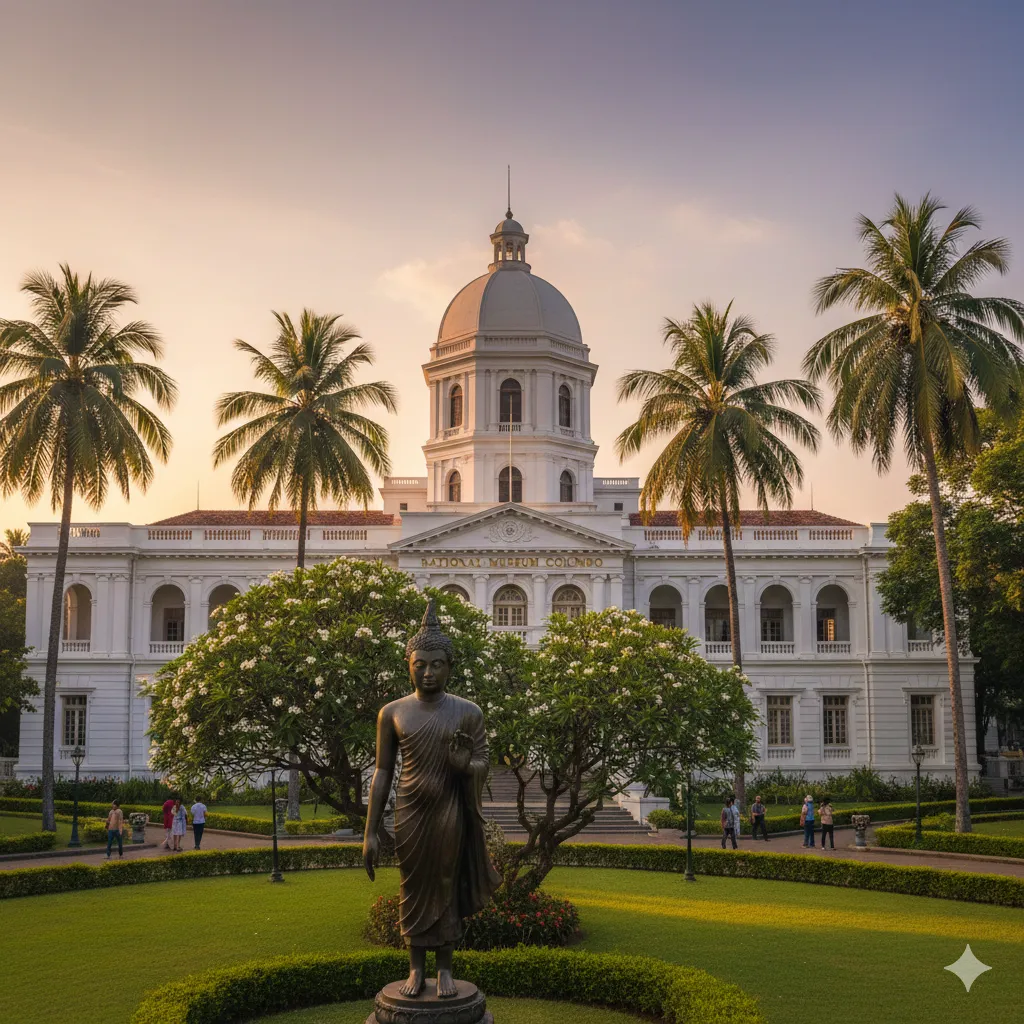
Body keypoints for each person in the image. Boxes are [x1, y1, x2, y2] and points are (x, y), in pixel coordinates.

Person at [364, 601, 500, 999]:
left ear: (450, 666)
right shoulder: (392, 712)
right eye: (420, 663)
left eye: (436, 664)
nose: (428, 672)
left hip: (450, 809)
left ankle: (444, 968)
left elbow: (482, 761)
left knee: (445, 882)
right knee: (412, 884)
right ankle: (414, 967)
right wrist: (370, 831)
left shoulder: (467, 712)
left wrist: (463, 766)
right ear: (408, 663)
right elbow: (383, 771)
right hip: (409, 809)